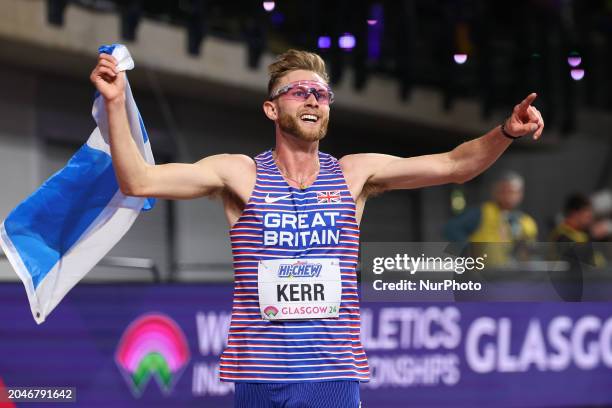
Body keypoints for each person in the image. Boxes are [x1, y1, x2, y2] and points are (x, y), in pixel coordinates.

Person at [90, 49, 544, 408]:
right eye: (299, 91)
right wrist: (114, 104)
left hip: (330, 376)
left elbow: (455, 166)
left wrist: (504, 131)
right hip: (257, 377)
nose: (312, 99)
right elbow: (139, 181)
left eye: (322, 94)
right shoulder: (238, 174)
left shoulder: (354, 174)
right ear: (271, 109)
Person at [443, 171, 538, 266]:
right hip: (482, 271)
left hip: (510, 272)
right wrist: (469, 252)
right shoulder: (482, 212)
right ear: (495, 192)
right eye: (503, 191)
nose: (508, 196)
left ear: (520, 193)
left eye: (513, 192)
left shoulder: (526, 221)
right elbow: (450, 229)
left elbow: (529, 251)